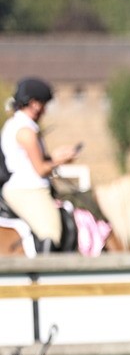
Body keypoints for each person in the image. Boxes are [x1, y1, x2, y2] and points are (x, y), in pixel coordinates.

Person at [0, 78, 78, 250]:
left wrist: (56, 157)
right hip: (29, 190)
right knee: (50, 232)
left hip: (25, 187)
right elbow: (41, 169)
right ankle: (44, 275)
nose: (45, 109)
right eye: (44, 104)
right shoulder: (26, 131)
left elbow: (35, 161)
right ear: (34, 103)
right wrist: (60, 160)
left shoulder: (16, 125)